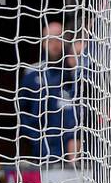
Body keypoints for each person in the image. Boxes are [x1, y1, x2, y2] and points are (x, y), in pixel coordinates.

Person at [18, 21, 79, 165]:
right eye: (50, 39)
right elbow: (21, 112)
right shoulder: (31, 75)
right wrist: (35, 139)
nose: (55, 44)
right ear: (43, 43)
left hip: (72, 155)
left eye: (59, 38)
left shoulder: (75, 74)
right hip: (42, 154)